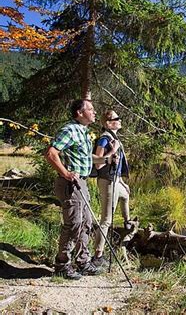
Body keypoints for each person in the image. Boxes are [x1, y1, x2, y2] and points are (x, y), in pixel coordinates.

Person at [45, 99, 109, 279]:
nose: (95, 112)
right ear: (80, 113)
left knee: (86, 223)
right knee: (74, 224)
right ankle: (62, 265)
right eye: (90, 109)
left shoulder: (83, 131)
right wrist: (65, 173)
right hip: (71, 184)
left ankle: (82, 261)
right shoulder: (70, 130)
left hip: (82, 182)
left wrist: (108, 158)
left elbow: (87, 158)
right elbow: (51, 153)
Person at [92, 109, 131, 267]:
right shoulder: (104, 139)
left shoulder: (115, 138)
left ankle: (127, 222)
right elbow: (99, 163)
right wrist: (113, 151)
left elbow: (117, 165)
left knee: (126, 195)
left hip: (115, 181)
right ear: (108, 123)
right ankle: (97, 256)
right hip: (107, 182)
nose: (120, 120)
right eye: (117, 118)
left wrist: (122, 182)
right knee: (106, 220)